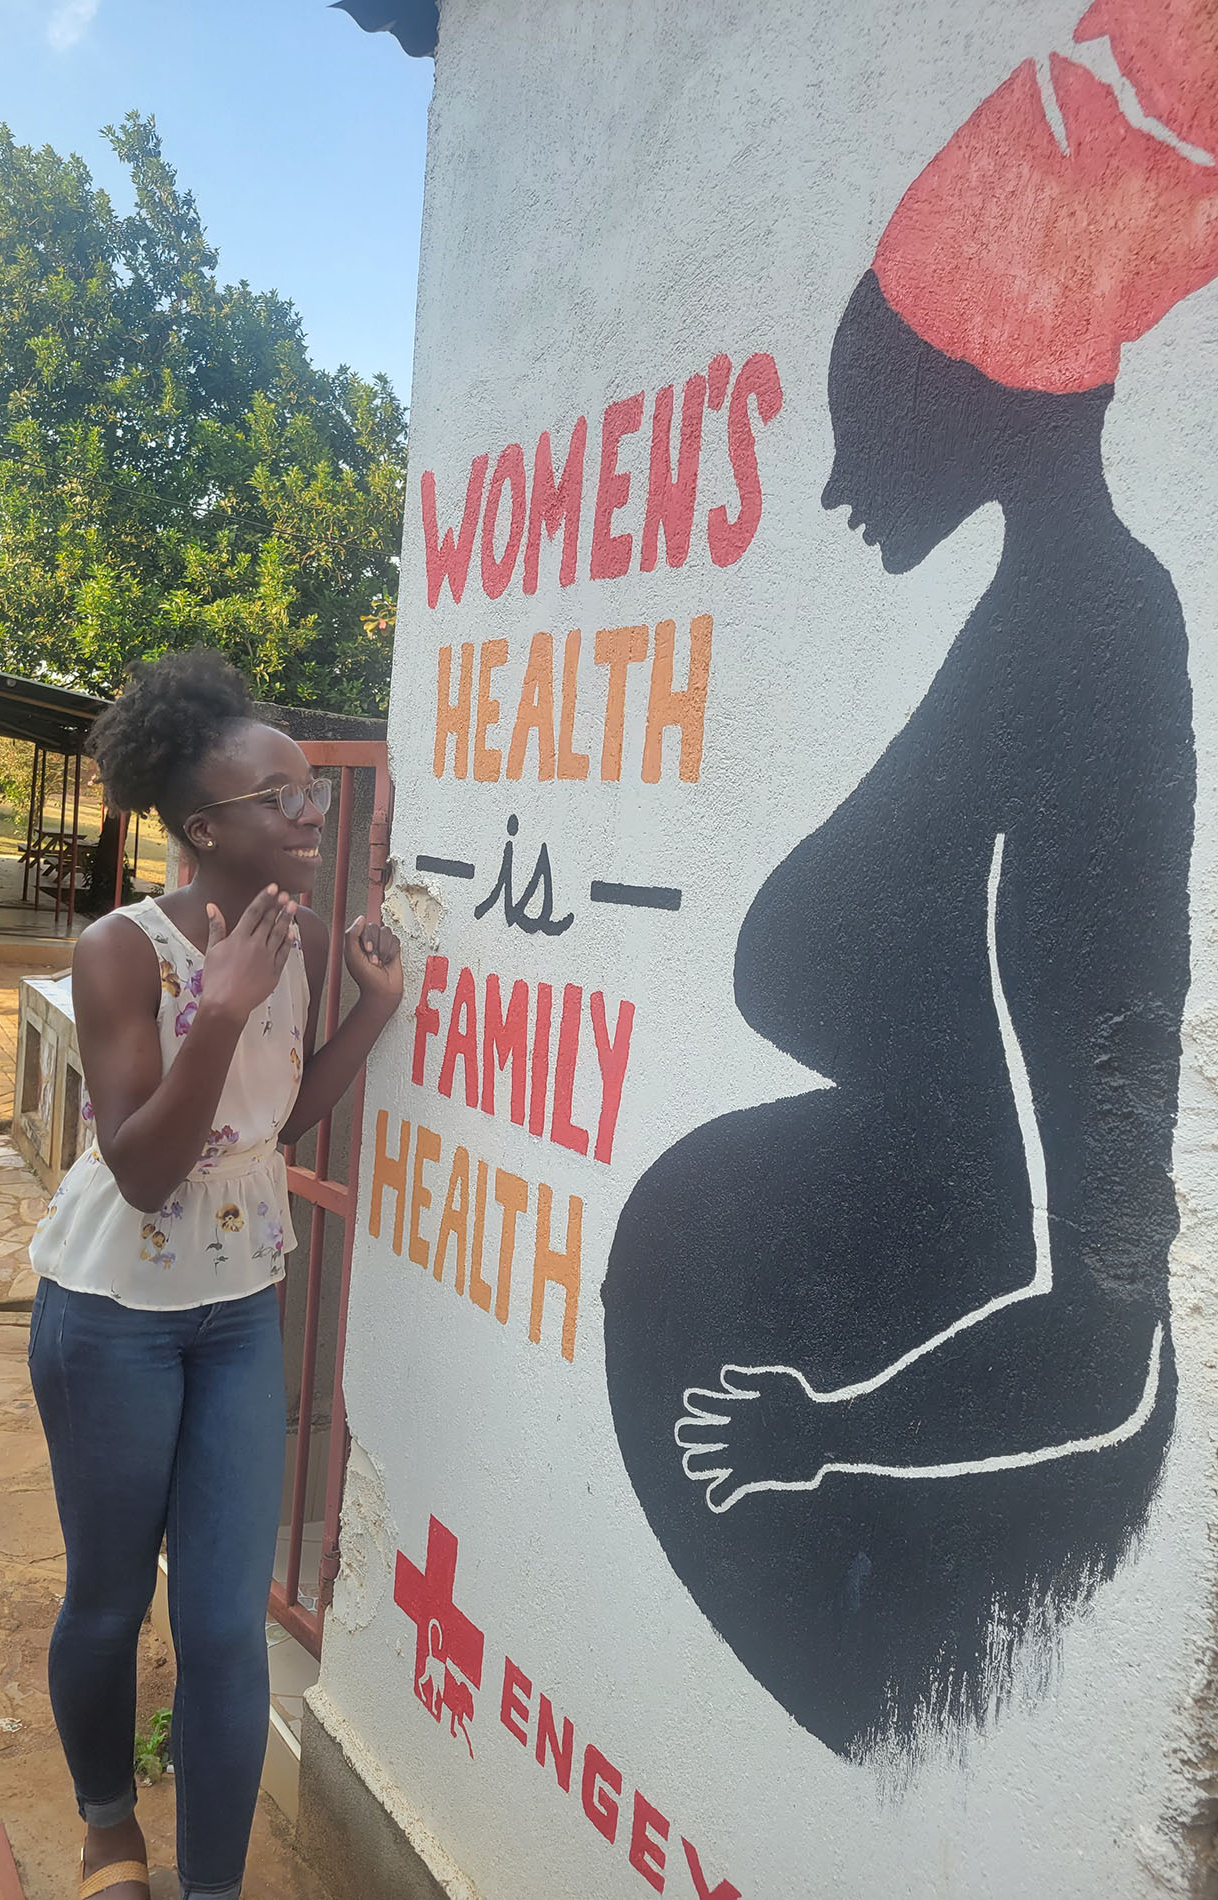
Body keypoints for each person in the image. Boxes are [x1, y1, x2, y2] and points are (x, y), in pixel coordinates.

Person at [604, 6, 1215, 1761]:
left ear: (980, 400)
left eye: (864, 409)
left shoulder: (1097, 655)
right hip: (843, 1498)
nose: (840, 474)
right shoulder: (1035, 633)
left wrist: (832, 1430)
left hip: (957, 1531)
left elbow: (1102, 1341)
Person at [26, 650, 402, 1900]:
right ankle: (105, 1831)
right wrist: (224, 1008)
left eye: (311, 792)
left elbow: (267, 1134)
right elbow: (141, 1167)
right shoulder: (120, 949)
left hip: (238, 1308)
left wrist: (370, 1010)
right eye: (284, 797)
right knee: (109, 1595)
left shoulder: (284, 942)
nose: (312, 813)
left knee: (227, 1629)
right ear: (205, 827)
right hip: (114, 1316)